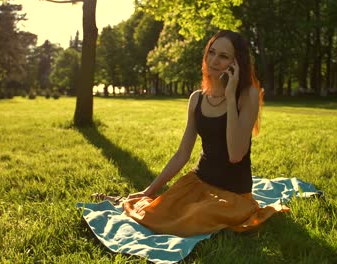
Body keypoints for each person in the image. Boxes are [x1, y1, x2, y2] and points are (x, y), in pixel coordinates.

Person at [104, 30, 287, 237]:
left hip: (234, 194)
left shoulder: (247, 96)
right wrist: (149, 190)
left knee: (195, 216)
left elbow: (236, 154)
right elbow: (182, 154)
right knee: (157, 212)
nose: (214, 60)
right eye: (212, 52)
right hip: (197, 183)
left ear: (236, 64)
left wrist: (229, 96)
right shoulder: (197, 99)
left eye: (224, 56)